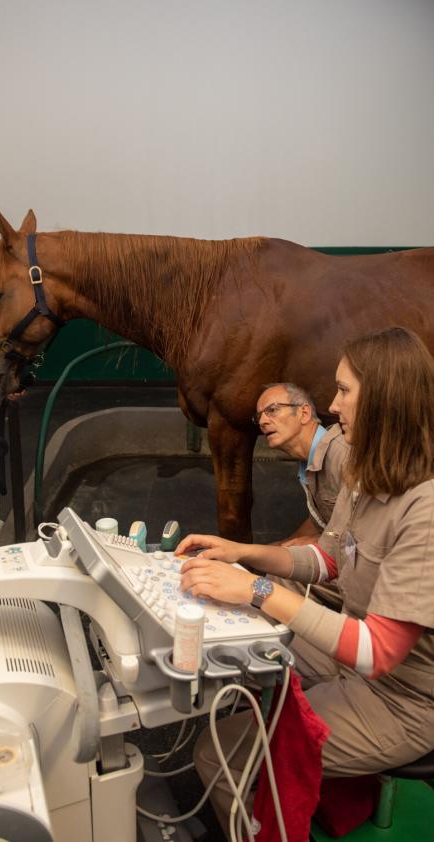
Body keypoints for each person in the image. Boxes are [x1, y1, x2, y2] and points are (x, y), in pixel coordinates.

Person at [176, 326, 433, 836]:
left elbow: (377, 651)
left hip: (403, 699)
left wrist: (258, 590)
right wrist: (242, 553)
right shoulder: (366, 475)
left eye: (343, 390)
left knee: (216, 755)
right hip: (360, 669)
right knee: (246, 649)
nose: (332, 407)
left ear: (383, 400)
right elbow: (327, 560)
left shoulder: (424, 510)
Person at [254, 382, 348, 610]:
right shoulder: (307, 462)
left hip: (367, 569)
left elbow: (369, 525)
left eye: (272, 410)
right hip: (342, 559)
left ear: (304, 413)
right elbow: (320, 519)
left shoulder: (340, 453)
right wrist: (279, 547)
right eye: (259, 416)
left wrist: (321, 542)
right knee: (274, 560)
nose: (263, 421)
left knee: (282, 576)